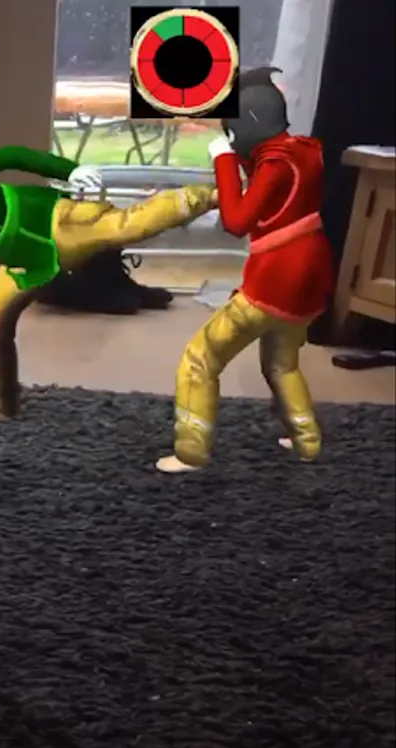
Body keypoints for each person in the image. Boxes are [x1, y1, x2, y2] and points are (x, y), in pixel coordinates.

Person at [0, 142, 217, 427]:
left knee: (128, 225)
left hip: (53, 225)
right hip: (21, 263)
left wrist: (68, 170)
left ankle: (211, 196)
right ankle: (2, 405)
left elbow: (11, 154)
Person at [156, 67, 335, 473]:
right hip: (310, 275)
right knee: (282, 363)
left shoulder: (274, 166)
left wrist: (223, 158)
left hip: (276, 278)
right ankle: (307, 441)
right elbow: (266, 183)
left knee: (202, 357)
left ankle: (191, 452)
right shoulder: (303, 153)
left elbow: (237, 221)